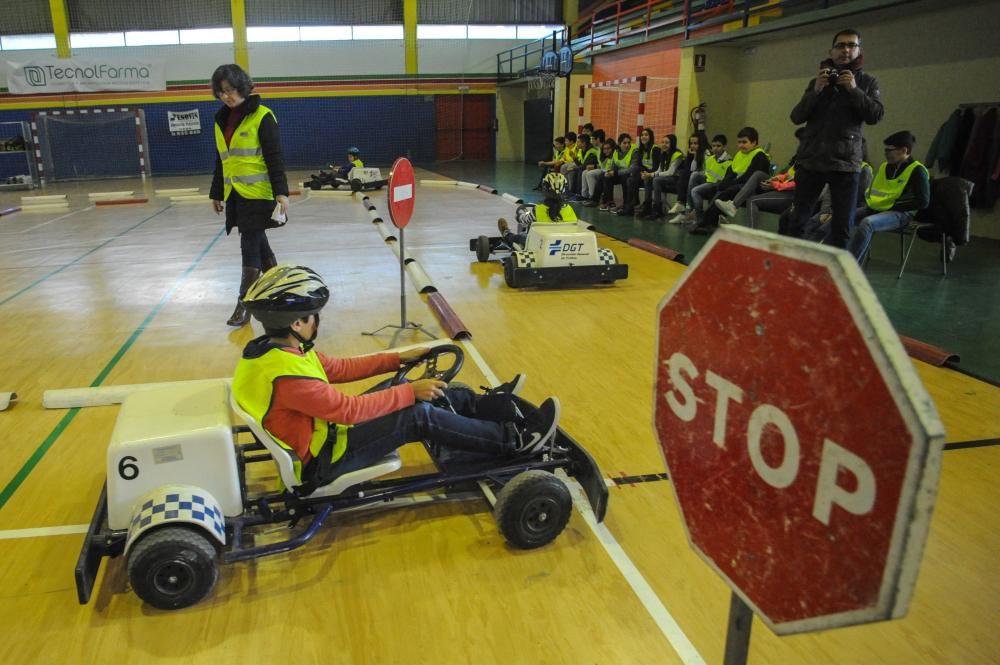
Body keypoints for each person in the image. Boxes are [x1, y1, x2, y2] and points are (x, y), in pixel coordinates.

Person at [232, 265, 562, 490]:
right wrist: (410, 393)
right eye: (313, 316)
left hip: (329, 436)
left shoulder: (273, 351)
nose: (317, 321)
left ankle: (493, 409)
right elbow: (348, 411)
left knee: (405, 387)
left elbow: (337, 369)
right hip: (325, 459)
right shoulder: (290, 379)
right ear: (297, 324)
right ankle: (512, 442)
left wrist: (397, 360)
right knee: (416, 415)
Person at [784, 28, 884, 248]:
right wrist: (816, 91)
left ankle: (833, 278)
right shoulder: (818, 81)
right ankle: (789, 272)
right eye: (840, 45)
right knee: (797, 221)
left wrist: (854, 90)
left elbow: (875, 115)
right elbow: (796, 116)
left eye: (851, 45)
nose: (845, 50)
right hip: (811, 160)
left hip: (845, 164)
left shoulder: (867, 82)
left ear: (859, 51)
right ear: (831, 50)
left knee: (842, 226)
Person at [210, 64, 290, 328]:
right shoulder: (220, 120)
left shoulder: (263, 116)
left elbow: (274, 158)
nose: (227, 96)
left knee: (249, 246)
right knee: (260, 245)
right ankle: (280, 289)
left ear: (243, 87)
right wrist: (217, 193)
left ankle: (244, 304)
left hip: (259, 194)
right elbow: (222, 161)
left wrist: (282, 192)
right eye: (222, 92)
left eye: (231, 90)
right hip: (236, 194)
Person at [846, 130, 929, 261]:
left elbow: (923, 202)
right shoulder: (886, 166)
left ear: (904, 150)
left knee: (867, 223)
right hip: (877, 208)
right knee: (844, 216)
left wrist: (893, 206)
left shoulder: (917, 171)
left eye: (890, 150)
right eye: (886, 150)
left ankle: (849, 265)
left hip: (901, 213)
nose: (886, 154)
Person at [690, 127, 770, 234]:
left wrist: (729, 184)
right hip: (738, 185)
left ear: (754, 142)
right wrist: (725, 183)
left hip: (751, 189)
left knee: (725, 193)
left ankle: (707, 223)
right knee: (721, 188)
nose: (741, 145)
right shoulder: (739, 154)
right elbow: (730, 172)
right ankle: (707, 222)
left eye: (744, 142)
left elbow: (749, 178)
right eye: (739, 142)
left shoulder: (759, 156)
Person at [497, 172, 577, 247]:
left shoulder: (538, 210)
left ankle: (506, 233)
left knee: (518, 237)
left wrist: (519, 216)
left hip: (540, 246)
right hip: (565, 246)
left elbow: (523, 221)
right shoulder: (570, 210)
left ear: (544, 189)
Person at [668, 134, 730, 224]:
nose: (715, 148)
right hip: (708, 181)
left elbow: (722, 178)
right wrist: (695, 156)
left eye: (718, 146)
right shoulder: (711, 158)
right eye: (714, 146)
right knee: (693, 175)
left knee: (695, 189)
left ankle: (695, 214)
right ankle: (688, 209)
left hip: (718, 184)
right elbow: (694, 169)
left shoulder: (717, 157)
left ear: (724, 146)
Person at [620, 128, 661, 216]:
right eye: (642, 135)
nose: (643, 137)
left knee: (646, 179)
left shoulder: (655, 149)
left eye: (646, 135)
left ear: (651, 137)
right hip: (644, 173)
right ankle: (630, 205)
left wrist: (647, 173)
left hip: (654, 174)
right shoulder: (640, 150)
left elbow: (657, 167)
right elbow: (639, 165)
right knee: (630, 180)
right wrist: (642, 172)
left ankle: (647, 206)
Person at [581, 139, 617, 207]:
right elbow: (602, 165)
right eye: (604, 149)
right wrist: (594, 166)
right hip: (605, 170)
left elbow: (613, 166)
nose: (606, 150)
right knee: (584, 172)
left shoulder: (615, 154)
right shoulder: (603, 154)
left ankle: (598, 199)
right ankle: (586, 196)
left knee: (599, 176)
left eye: (608, 148)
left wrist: (611, 172)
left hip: (614, 172)